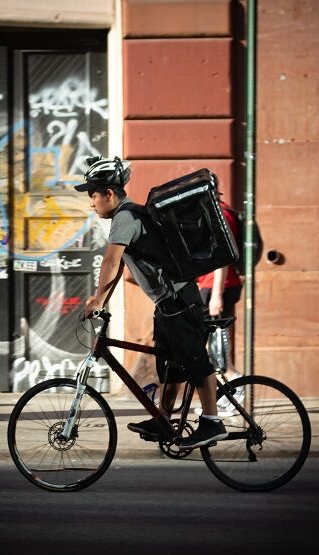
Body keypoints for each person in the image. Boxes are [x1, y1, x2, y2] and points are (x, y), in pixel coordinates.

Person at [78, 156, 227, 450]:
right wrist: (102, 300)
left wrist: (97, 299)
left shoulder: (125, 217)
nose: (91, 203)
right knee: (170, 367)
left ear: (109, 193)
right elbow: (120, 265)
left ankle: (212, 422)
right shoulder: (128, 217)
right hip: (168, 304)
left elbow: (110, 261)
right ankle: (164, 420)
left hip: (180, 300)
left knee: (195, 360)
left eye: (93, 195)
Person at [195, 200, 244, 416]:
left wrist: (216, 296)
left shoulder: (220, 214)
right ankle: (225, 398)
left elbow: (222, 257)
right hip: (214, 286)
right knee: (210, 348)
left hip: (218, 286)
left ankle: (235, 389)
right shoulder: (220, 212)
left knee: (217, 349)